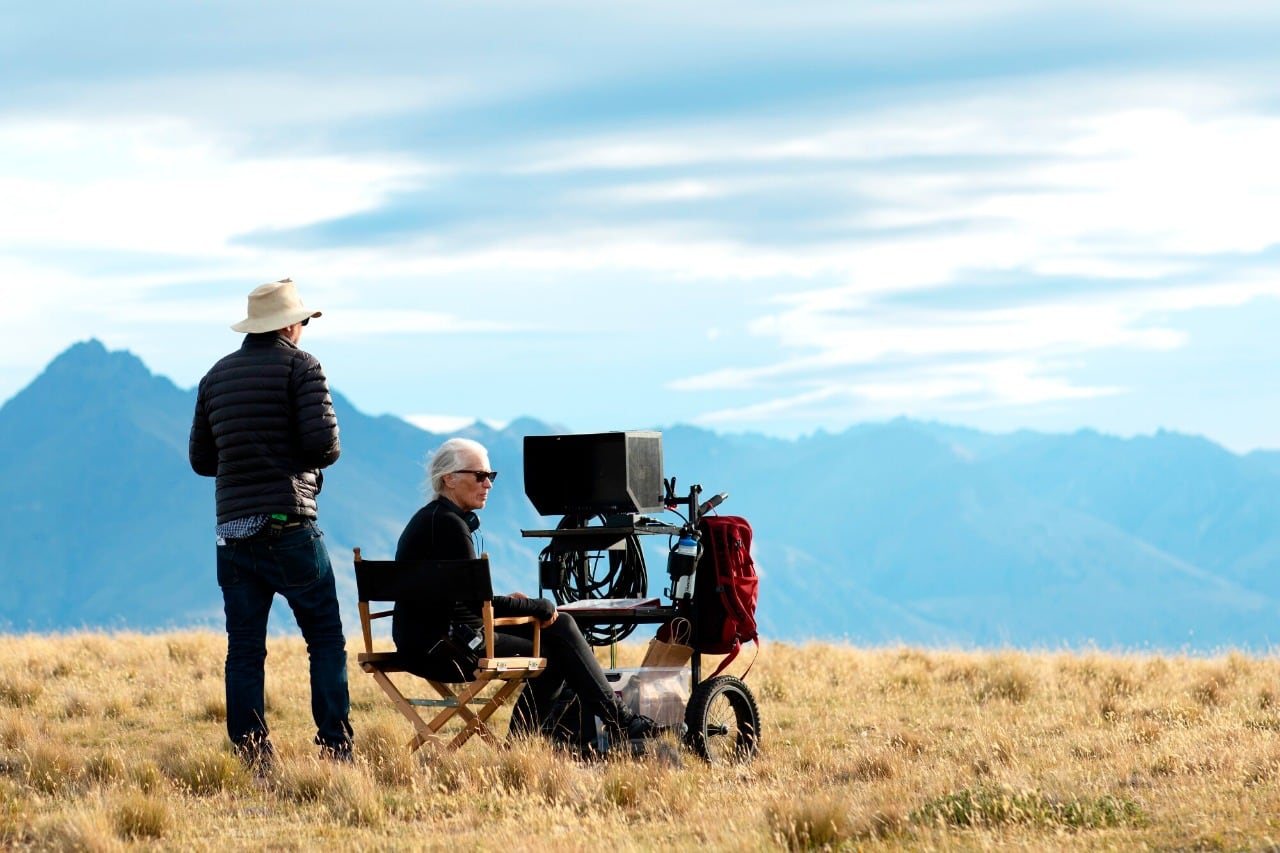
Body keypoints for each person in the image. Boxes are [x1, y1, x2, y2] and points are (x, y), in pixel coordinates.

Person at [393, 437, 668, 743]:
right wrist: (540, 607)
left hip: (425, 643)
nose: (489, 484)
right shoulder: (449, 526)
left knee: (557, 639)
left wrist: (517, 605)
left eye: (491, 476)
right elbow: (475, 605)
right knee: (558, 635)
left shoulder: (430, 520)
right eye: (480, 476)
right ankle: (613, 724)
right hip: (447, 648)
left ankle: (611, 724)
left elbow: (462, 600)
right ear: (450, 479)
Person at [189, 278, 354, 770]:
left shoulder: (214, 377)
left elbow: (202, 460)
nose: (303, 328)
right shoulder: (302, 366)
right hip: (289, 525)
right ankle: (335, 747)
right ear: (288, 324)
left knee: (244, 648)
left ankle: (252, 755)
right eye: (302, 320)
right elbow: (326, 445)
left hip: (233, 531)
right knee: (324, 638)